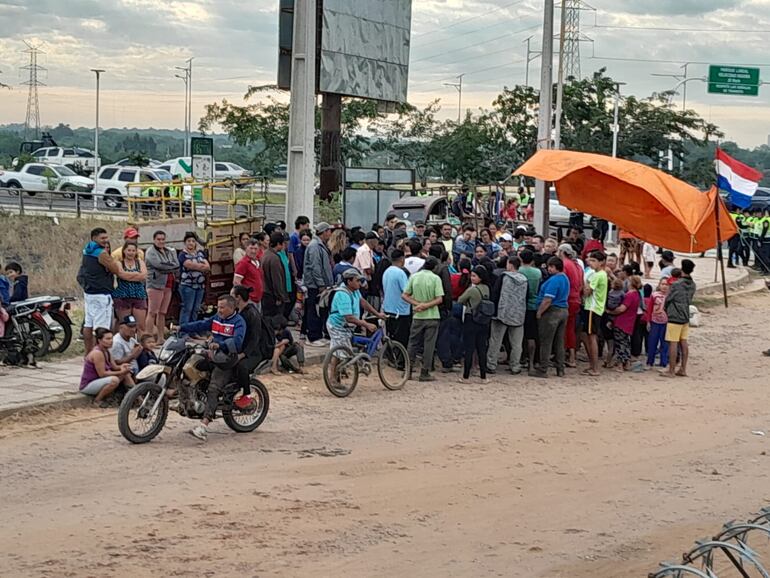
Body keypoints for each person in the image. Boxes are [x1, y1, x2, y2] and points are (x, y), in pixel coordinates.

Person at [181, 294, 246, 441]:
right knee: (188, 368)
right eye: (218, 306)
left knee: (214, 388)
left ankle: (203, 426)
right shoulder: (216, 318)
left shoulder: (238, 322)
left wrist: (221, 345)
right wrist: (182, 327)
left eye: (222, 307)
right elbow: (200, 324)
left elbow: (238, 341)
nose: (219, 309)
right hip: (212, 355)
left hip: (226, 360)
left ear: (231, 307)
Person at [326, 269, 384, 381]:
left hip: (347, 326)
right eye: (357, 280)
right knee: (344, 353)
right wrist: (366, 324)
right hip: (338, 326)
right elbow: (349, 317)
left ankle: (336, 375)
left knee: (338, 351)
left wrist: (377, 314)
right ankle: (334, 378)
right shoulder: (342, 294)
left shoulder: (354, 290)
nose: (360, 283)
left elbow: (363, 302)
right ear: (349, 281)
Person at [402, 257, 445, 382]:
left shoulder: (414, 277)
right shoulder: (435, 278)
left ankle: (408, 371)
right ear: (435, 267)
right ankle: (424, 372)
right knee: (429, 345)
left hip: (418, 315)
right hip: (432, 315)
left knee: (413, 343)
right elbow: (439, 299)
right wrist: (426, 305)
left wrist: (417, 304)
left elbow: (404, 295)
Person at [78, 227, 120, 353]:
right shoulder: (101, 253)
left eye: (106, 238)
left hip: (89, 292)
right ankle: (100, 354)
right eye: (102, 238)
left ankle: (88, 352)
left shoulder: (86, 250)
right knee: (101, 328)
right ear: (94, 238)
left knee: (88, 324)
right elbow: (115, 269)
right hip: (102, 293)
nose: (105, 240)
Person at [230, 285, 269, 411]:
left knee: (242, 366)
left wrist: (244, 354)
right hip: (240, 348)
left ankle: (246, 395)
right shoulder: (237, 312)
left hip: (255, 352)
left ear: (238, 298)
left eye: (231, 296)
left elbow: (255, 338)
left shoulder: (252, 314)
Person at [487, 256, 528, 375]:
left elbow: (495, 293)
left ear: (510, 265)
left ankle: (491, 364)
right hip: (518, 314)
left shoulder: (504, 277)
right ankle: (515, 365)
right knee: (516, 343)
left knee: (495, 340)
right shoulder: (524, 279)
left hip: (502, 313)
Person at [532, 257, 569, 378]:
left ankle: (543, 369)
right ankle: (560, 368)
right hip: (563, 310)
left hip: (552, 312)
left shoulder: (554, 280)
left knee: (546, 342)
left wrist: (539, 312)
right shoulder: (565, 278)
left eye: (550, 267)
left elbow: (548, 299)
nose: (548, 269)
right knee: (559, 341)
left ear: (554, 267)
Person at [79, 327, 134, 407]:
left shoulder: (107, 351)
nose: (111, 341)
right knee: (114, 380)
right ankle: (97, 400)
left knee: (126, 374)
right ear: (99, 340)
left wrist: (122, 367)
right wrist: (121, 371)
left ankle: (137, 397)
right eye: (107, 339)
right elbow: (102, 374)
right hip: (88, 385)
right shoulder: (97, 353)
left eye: (111, 338)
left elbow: (115, 367)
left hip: (99, 381)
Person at [457, 265, 492, 383]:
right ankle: (483, 376)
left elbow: (460, 300)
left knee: (469, 348)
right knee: (482, 348)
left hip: (471, 318)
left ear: (480, 277)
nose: (472, 278)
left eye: (474, 276)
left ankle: (466, 376)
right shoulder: (486, 288)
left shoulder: (472, 290)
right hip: (483, 320)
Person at [663, 259, 696, 378]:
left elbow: (668, 298)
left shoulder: (676, 284)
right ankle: (683, 368)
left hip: (675, 315)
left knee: (673, 342)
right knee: (684, 342)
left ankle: (671, 370)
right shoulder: (692, 284)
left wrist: (665, 308)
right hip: (685, 314)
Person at [144, 230, 179, 344]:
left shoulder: (168, 251)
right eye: (158, 239)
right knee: (152, 312)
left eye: (163, 239)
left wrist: (167, 266)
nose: (161, 241)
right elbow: (158, 265)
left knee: (162, 313)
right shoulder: (150, 252)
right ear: (154, 240)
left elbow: (177, 264)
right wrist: (170, 266)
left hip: (168, 285)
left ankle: (160, 337)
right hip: (155, 285)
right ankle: (148, 339)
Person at [303, 222, 334, 346]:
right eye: (329, 231)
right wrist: (321, 284)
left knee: (320, 310)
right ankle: (313, 336)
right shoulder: (315, 246)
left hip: (321, 285)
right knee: (313, 310)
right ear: (324, 232)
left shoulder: (320, 245)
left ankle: (318, 334)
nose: (330, 234)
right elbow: (315, 268)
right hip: (315, 286)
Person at [580, 250, 608, 376]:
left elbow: (587, 292)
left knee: (592, 338)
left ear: (601, 262)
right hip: (595, 307)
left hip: (593, 307)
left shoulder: (597, 275)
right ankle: (592, 366)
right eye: (590, 260)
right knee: (590, 336)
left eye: (594, 261)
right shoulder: (601, 274)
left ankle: (595, 367)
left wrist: (585, 283)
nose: (591, 263)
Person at [112, 241, 148, 332]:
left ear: (136, 252)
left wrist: (128, 276)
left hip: (138, 295)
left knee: (141, 326)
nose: (131, 253)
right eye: (129, 250)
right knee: (124, 325)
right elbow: (121, 274)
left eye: (133, 250)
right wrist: (136, 275)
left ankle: (141, 344)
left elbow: (143, 276)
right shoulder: (119, 263)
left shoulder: (140, 262)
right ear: (124, 251)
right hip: (122, 296)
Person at [608, 275, 641, 372]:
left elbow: (622, 308)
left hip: (622, 322)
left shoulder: (629, 295)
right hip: (629, 322)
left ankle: (620, 364)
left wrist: (610, 312)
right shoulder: (637, 294)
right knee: (626, 343)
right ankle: (626, 362)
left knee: (620, 344)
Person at [177, 232, 210, 326]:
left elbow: (208, 267)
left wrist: (199, 266)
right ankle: (184, 331)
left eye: (193, 241)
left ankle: (193, 330)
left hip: (199, 286)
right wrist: (201, 266)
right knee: (187, 308)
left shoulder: (200, 253)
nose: (191, 243)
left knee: (196, 309)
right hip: (187, 286)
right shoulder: (182, 254)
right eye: (188, 241)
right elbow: (189, 265)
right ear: (185, 243)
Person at [381, 249, 411, 348]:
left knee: (391, 336)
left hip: (388, 308)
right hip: (401, 311)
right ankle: (400, 360)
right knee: (402, 339)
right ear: (402, 259)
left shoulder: (386, 271)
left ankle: (391, 357)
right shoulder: (400, 273)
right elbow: (406, 291)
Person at [518, 249, 542, 373]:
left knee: (519, 334)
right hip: (534, 305)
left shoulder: (519, 271)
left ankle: (521, 358)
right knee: (532, 336)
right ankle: (532, 362)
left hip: (521, 305)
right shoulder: (537, 272)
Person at [261, 232, 290, 319]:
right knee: (275, 322)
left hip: (265, 293)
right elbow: (277, 280)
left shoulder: (265, 254)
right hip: (272, 296)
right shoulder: (274, 258)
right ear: (278, 244)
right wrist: (280, 297)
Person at [234, 240, 265, 311]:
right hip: (249, 300)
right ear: (246, 249)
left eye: (255, 249)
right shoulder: (243, 263)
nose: (253, 251)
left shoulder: (257, 262)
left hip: (258, 298)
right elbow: (236, 282)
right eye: (251, 248)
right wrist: (244, 298)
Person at [646, 279, 670, 369]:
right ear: (659, 285)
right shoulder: (654, 295)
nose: (664, 286)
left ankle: (663, 363)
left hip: (666, 323)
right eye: (663, 284)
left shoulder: (670, 296)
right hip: (654, 322)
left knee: (665, 343)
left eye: (666, 284)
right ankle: (650, 362)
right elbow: (649, 309)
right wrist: (648, 321)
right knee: (652, 342)